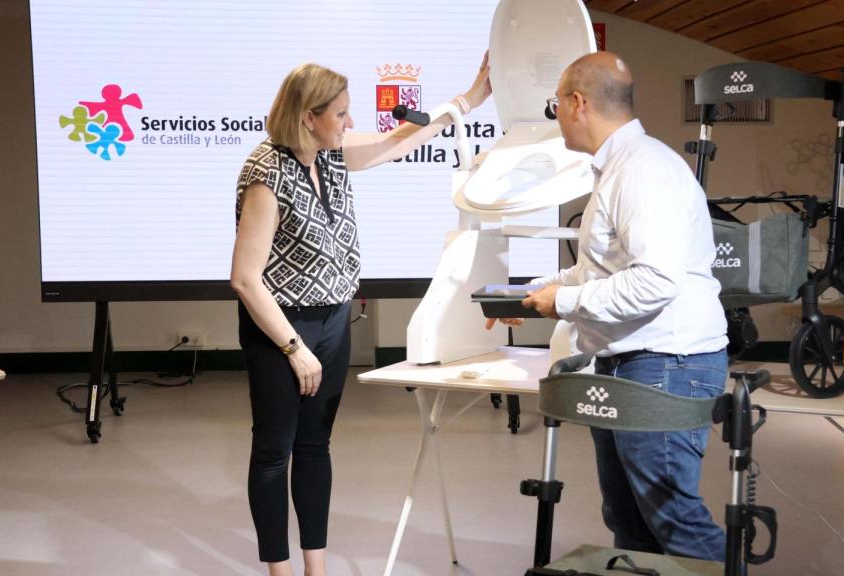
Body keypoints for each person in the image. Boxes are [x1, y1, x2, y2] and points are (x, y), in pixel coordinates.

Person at [231, 55, 491, 576]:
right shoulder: (266, 172)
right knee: (273, 453)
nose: (351, 123)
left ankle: (316, 567)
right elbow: (245, 278)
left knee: (315, 447)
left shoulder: (327, 155)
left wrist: (467, 101)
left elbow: (399, 141)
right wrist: (293, 348)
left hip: (332, 323)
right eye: (343, 114)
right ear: (309, 116)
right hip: (282, 329)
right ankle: (279, 571)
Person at [521, 52, 729, 561]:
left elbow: (654, 280)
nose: (557, 115)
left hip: (664, 365)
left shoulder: (643, 170)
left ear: (577, 103)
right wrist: (531, 297)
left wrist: (563, 301)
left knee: (673, 519)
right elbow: (602, 270)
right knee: (630, 522)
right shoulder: (619, 168)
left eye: (555, 106)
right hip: (632, 365)